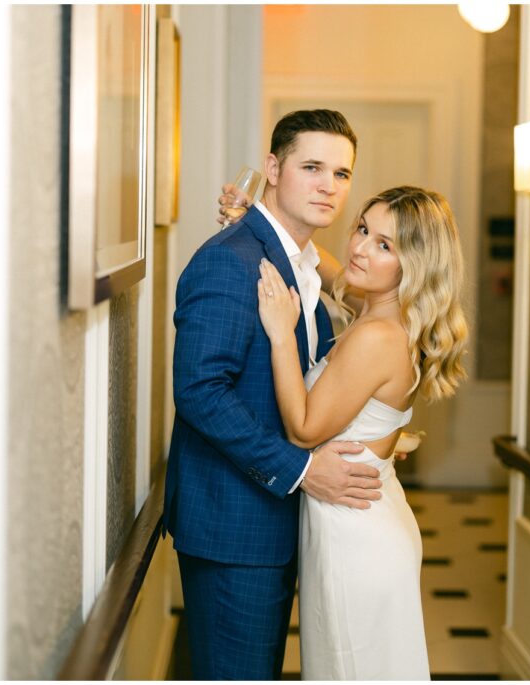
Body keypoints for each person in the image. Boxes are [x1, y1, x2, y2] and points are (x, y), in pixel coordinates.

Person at [165, 109, 386, 680]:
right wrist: (302, 470)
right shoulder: (229, 261)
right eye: (311, 166)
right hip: (233, 528)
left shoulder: (300, 264)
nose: (328, 186)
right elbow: (198, 391)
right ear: (272, 168)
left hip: (274, 524)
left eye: (341, 173)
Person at [254, 185, 468, 679]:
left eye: (384, 245)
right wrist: (261, 215)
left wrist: (281, 334)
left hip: (356, 538)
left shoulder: (376, 335)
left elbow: (305, 429)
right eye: (363, 228)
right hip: (365, 517)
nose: (359, 247)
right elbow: (322, 262)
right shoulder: (381, 311)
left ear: (414, 265)